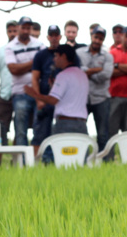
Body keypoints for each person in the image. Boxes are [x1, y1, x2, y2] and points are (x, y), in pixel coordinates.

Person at [24, 44, 90, 159]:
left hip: (65, 123)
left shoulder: (63, 75)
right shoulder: (82, 75)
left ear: (63, 56)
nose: (54, 59)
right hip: (82, 123)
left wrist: (35, 95)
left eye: (56, 56)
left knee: (63, 160)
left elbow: (53, 100)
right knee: (80, 159)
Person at [5, 16, 43, 146]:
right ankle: (22, 162)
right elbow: (13, 69)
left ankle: (38, 160)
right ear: (18, 28)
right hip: (20, 92)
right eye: (24, 27)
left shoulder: (39, 44)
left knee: (40, 127)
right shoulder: (10, 47)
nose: (26, 31)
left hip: (38, 91)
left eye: (28, 28)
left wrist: (24, 66)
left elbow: (45, 65)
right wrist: (34, 63)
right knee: (20, 130)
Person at [30, 25, 63, 155]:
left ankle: (59, 162)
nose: (54, 38)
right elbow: (34, 78)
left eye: (56, 35)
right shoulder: (41, 55)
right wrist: (38, 99)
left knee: (60, 135)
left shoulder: (66, 54)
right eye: (52, 35)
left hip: (61, 100)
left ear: (60, 37)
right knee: (40, 134)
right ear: (48, 37)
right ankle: (36, 166)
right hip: (44, 98)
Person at [81, 26, 114, 153]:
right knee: (82, 132)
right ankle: (84, 158)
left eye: (100, 38)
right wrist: (96, 70)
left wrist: (88, 73)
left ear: (103, 40)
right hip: (83, 98)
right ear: (91, 36)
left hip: (101, 98)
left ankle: (104, 161)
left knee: (103, 134)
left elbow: (106, 75)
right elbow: (79, 71)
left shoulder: (108, 56)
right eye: (96, 37)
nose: (97, 40)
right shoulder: (79, 53)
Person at [0, 20, 18, 162]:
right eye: (10, 31)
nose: (13, 34)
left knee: (19, 126)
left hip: (20, 94)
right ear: (7, 32)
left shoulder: (23, 49)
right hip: (4, 94)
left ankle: (15, 158)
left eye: (15, 31)